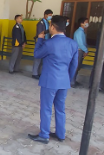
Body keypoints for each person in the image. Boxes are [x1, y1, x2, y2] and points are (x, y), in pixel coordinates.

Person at [28, 15, 78, 144]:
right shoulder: (72, 43)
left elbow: (37, 54)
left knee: (46, 108)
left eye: (50, 25)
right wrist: (68, 79)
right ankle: (61, 134)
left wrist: (39, 40)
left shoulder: (49, 43)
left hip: (50, 81)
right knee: (60, 108)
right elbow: (74, 65)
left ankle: (44, 135)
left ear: (53, 27)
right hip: (64, 81)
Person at [32, 9, 53, 79]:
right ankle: (34, 73)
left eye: (51, 15)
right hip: (40, 42)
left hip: (46, 42)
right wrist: (49, 30)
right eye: (49, 15)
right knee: (37, 58)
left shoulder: (47, 22)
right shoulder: (40, 23)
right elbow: (40, 33)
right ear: (45, 15)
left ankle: (39, 73)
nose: (50, 17)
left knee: (42, 59)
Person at [72, 17, 89, 87]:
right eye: (86, 22)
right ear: (81, 23)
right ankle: (71, 82)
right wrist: (86, 50)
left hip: (80, 51)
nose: (87, 23)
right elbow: (80, 44)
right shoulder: (79, 32)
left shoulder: (82, 32)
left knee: (77, 67)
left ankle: (73, 80)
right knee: (75, 67)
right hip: (78, 51)